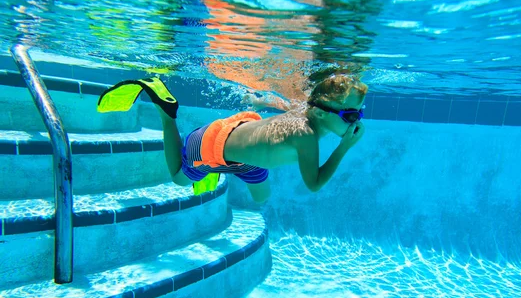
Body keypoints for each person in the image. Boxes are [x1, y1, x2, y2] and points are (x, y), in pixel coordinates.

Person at [97, 74, 368, 203]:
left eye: (359, 113)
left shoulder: (308, 111)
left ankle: (222, 170)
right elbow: (314, 184)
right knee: (179, 179)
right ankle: (167, 113)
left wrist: (259, 99)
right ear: (320, 113)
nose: (356, 120)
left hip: (246, 157)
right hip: (211, 146)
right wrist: (344, 147)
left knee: (262, 198)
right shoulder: (306, 135)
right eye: (349, 115)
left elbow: (287, 104)